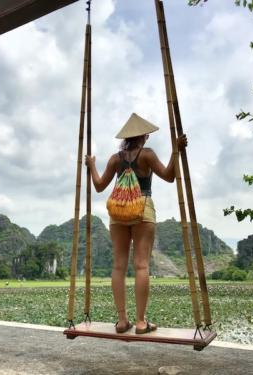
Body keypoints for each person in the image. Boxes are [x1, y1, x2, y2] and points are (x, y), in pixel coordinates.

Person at [85, 113, 187, 334]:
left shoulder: (115, 158)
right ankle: (141, 322)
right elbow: (169, 176)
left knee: (118, 266)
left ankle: (122, 321)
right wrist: (176, 150)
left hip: (118, 213)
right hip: (142, 209)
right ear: (143, 137)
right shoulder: (147, 155)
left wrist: (92, 165)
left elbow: (100, 186)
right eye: (146, 134)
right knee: (141, 265)